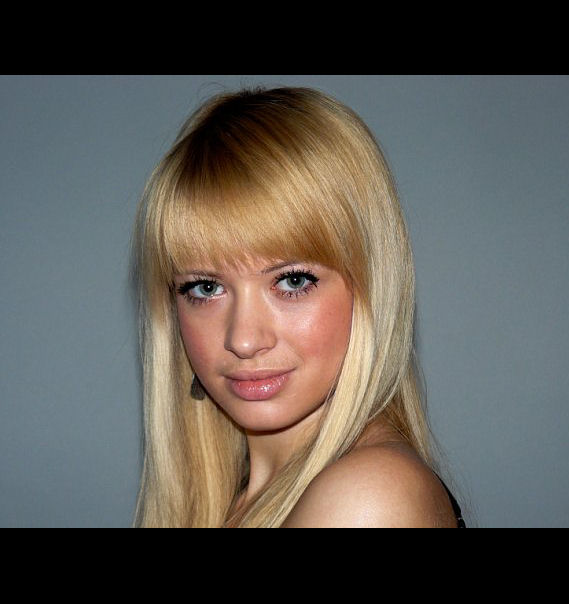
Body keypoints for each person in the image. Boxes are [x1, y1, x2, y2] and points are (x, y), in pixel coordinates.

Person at [130, 85, 466, 528]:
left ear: (372, 287)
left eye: (293, 281)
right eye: (206, 288)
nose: (243, 340)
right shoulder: (233, 500)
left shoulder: (368, 499)